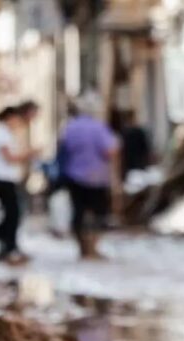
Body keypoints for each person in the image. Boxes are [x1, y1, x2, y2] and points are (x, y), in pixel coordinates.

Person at [59, 93, 119, 260]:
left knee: (78, 212)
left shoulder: (70, 127)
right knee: (99, 213)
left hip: (74, 175)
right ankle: (93, 248)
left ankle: (83, 249)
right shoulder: (99, 127)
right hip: (97, 177)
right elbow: (110, 150)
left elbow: (65, 149)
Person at [0, 106, 37, 265]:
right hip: (2, 179)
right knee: (13, 215)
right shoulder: (1, 134)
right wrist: (29, 154)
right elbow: (9, 158)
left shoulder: (7, 134)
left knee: (12, 216)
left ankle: (3, 247)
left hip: (7, 179)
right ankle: (2, 248)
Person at [116, 110, 151, 180]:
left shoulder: (123, 132)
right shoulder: (138, 132)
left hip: (128, 165)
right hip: (138, 164)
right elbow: (145, 148)